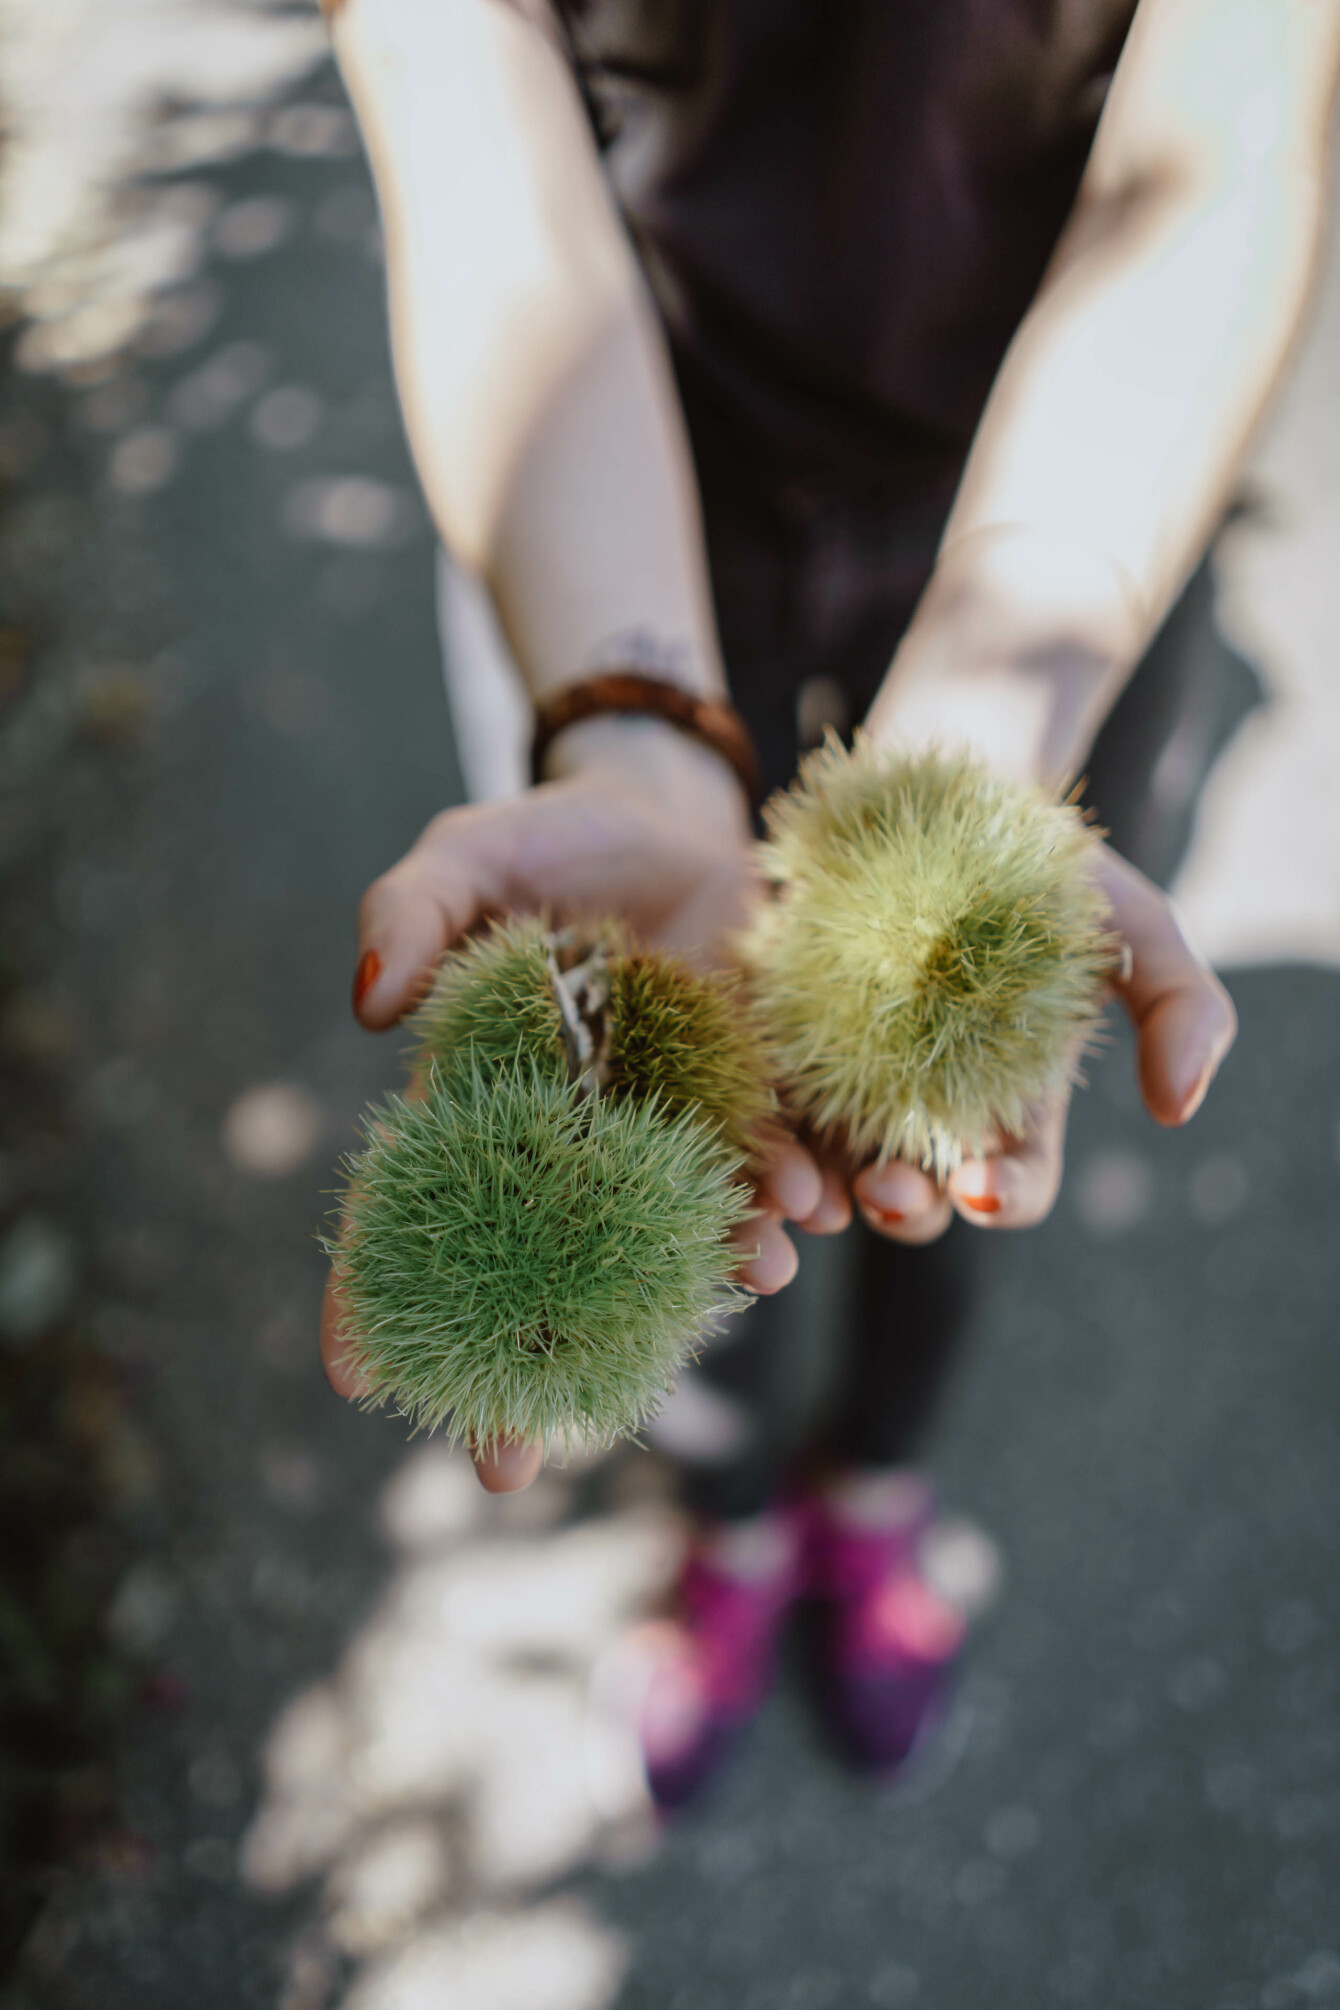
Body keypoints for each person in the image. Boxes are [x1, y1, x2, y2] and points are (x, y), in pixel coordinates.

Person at [318, 0, 1340, 1804]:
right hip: (610, 474)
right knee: (707, 1168)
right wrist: (629, 730)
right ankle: (720, 1521)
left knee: (945, 1148)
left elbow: (1236, 114)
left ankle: (869, 1476)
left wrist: (996, 698)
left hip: (1070, 467)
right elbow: (463, 117)